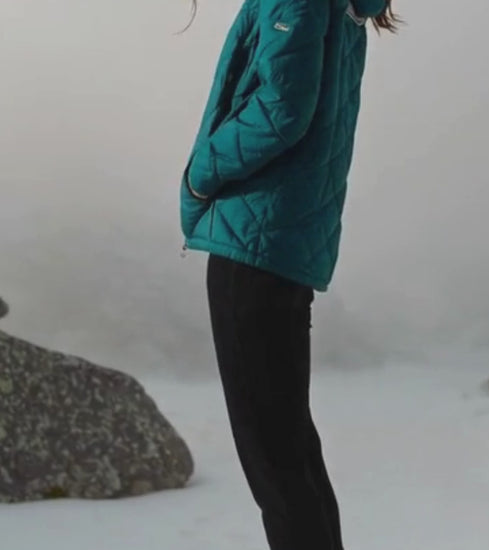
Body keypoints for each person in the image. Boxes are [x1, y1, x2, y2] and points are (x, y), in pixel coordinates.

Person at [179, 1, 399, 548]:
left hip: (253, 245)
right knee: (291, 454)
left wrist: (200, 176)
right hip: (282, 246)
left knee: (277, 467)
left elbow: (282, 111)